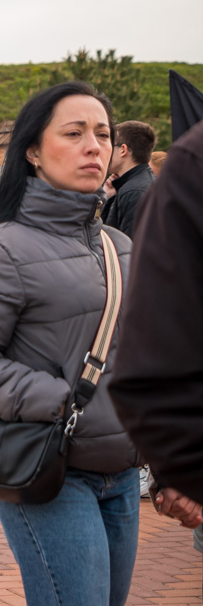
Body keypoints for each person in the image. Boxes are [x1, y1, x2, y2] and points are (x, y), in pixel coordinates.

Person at [0, 81, 141, 606]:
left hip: (122, 474)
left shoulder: (120, 247)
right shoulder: (0, 248)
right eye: (74, 133)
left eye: (102, 134)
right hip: (52, 471)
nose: (94, 147)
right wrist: (61, 401)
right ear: (33, 150)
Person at [110, 120, 203, 513]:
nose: (96, 150)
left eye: (104, 138)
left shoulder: (144, 189)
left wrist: (180, 469)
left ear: (123, 149)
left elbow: (157, 309)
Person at [102, 120, 156, 238]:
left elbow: (129, 244)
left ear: (123, 150)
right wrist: (109, 198)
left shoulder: (134, 192)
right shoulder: (142, 184)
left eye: (109, 145)